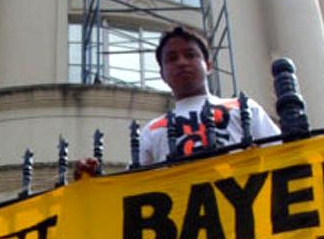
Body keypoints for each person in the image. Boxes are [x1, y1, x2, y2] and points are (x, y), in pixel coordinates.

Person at [75, 26, 280, 177]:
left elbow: (283, 156)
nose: (181, 62)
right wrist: (93, 181)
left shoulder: (243, 108)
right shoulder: (152, 130)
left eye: (190, 55)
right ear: (162, 74)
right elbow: (133, 188)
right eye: (172, 58)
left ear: (208, 66)